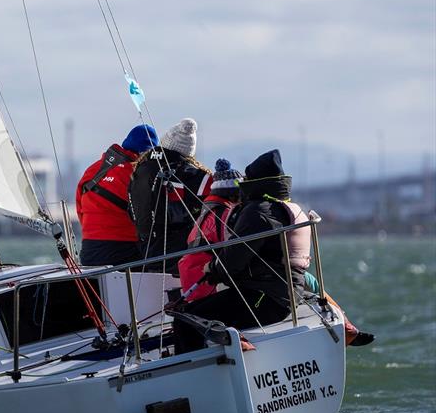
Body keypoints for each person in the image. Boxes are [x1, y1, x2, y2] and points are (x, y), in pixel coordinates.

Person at [172, 149, 306, 348]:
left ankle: (194, 375)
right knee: (202, 312)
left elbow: (232, 262)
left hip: (266, 298)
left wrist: (212, 269)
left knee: (185, 320)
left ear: (254, 183)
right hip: (283, 294)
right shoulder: (282, 207)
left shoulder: (258, 212)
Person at [129, 118, 212, 272]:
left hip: (146, 249)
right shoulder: (193, 176)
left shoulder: (140, 168)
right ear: (189, 150)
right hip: (177, 253)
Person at [76, 124, 158, 266]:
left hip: (89, 249)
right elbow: (147, 216)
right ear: (146, 153)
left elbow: (79, 206)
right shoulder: (140, 174)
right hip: (125, 250)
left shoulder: (93, 169)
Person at [177, 158, 242, 302]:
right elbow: (236, 251)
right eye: (240, 194)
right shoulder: (226, 215)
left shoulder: (205, 214)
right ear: (231, 195)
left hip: (190, 280)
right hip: (207, 283)